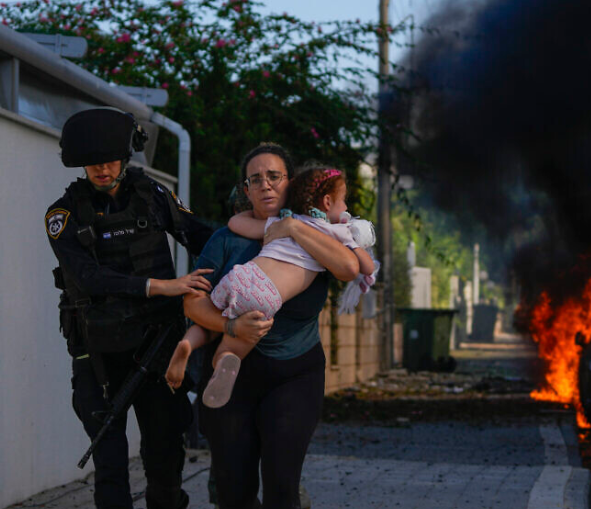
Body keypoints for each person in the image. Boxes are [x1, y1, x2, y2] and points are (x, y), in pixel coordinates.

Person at [46, 108, 215, 509]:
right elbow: (89, 277)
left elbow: (200, 235)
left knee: (164, 459)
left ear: (126, 157)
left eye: (109, 160)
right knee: (109, 463)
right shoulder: (63, 214)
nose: (102, 170)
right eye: (93, 163)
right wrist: (161, 286)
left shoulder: (153, 195)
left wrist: (261, 238)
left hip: (157, 347)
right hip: (98, 353)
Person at [183, 143, 359, 509]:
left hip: (295, 374)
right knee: (234, 493)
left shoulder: (315, 231)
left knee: (282, 488)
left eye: (274, 176)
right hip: (232, 375)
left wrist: (293, 227)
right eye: (255, 179)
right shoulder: (226, 239)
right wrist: (231, 328)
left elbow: (348, 268)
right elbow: (193, 302)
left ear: (289, 182)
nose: (265, 185)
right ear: (245, 190)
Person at [165, 167, 376, 408]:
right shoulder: (338, 233)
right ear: (328, 202)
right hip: (267, 296)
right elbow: (366, 268)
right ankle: (226, 360)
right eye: (344, 201)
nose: (346, 208)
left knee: (210, 320)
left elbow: (237, 223)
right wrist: (358, 246)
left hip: (242, 276)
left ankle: (187, 344)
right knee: (235, 344)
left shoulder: (285, 221)